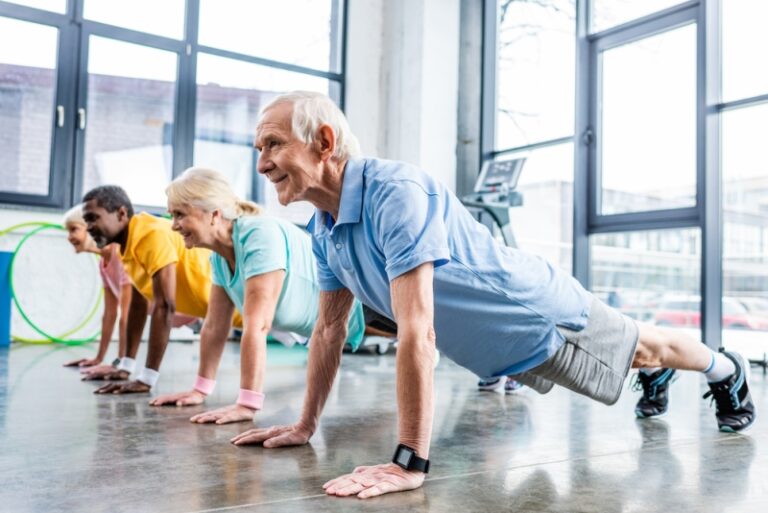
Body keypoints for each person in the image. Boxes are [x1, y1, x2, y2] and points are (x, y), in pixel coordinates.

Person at [229, 91, 755, 500]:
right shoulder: (324, 227)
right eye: (259, 149)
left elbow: (419, 330)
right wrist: (305, 425)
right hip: (494, 347)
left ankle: (725, 369)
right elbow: (328, 329)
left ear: (324, 141)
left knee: (645, 348)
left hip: (536, 315)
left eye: (273, 144)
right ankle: (660, 374)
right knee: (637, 356)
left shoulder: (396, 194)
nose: (262, 164)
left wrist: (409, 461)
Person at [148, 167, 367, 424]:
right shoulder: (220, 257)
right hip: (332, 319)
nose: (174, 225)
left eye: (180, 215)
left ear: (213, 214)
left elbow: (257, 326)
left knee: (420, 332)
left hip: (365, 305)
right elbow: (215, 326)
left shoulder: (258, 235)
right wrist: (200, 389)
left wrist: (247, 404)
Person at [81, 185, 224, 394]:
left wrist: (147, 378)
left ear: (121, 214)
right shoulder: (127, 245)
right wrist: (125, 366)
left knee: (287, 325)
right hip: (215, 311)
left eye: (94, 218)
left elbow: (165, 305)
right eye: (86, 221)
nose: (89, 227)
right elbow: (138, 305)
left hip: (240, 306)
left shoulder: (150, 234)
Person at [61, 205, 134, 375]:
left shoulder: (121, 255)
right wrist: (99, 358)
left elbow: (127, 317)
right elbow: (110, 314)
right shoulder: (103, 263)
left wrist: (120, 365)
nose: (69, 237)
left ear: (92, 229)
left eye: (74, 230)